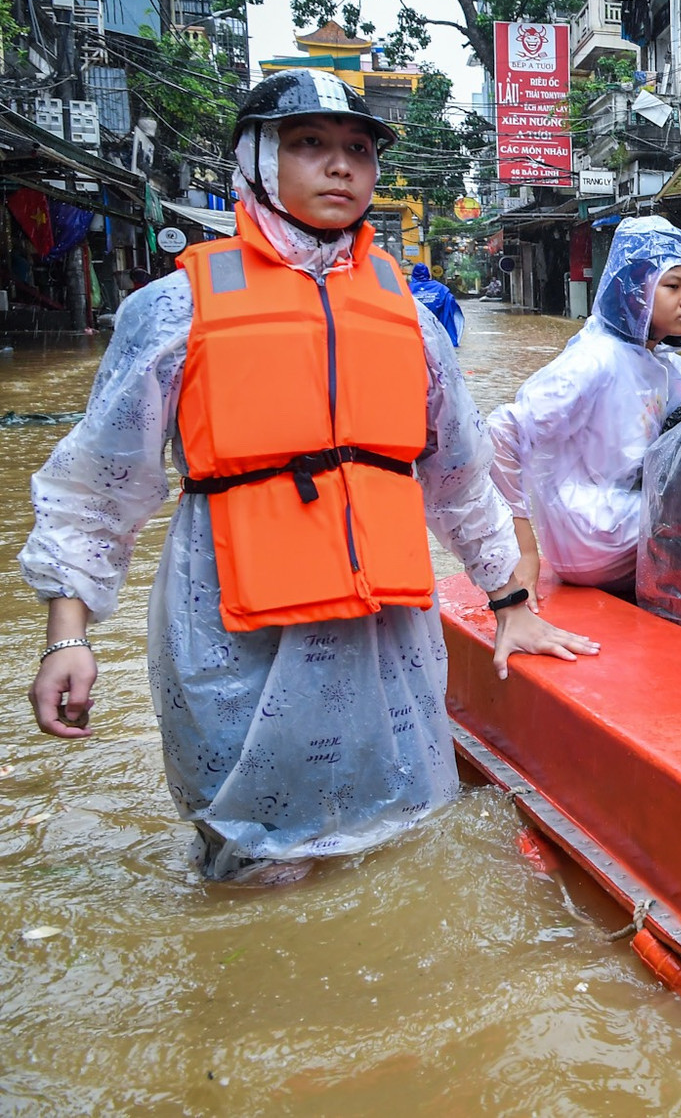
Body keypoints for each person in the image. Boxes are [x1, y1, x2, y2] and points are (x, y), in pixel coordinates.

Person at [19, 69, 595, 885]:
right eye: (309, 144)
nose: (340, 167)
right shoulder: (175, 310)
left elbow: (459, 478)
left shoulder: (413, 319)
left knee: (391, 853)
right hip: (230, 628)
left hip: (383, 635)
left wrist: (510, 604)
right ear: (255, 158)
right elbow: (98, 487)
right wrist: (67, 638)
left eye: (357, 149)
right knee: (250, 864)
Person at [489, 216, 681, 590]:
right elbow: (503, 434)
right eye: (673, 286)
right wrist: (523, 548)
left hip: (625, 521)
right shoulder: (596, 359)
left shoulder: (669, 370)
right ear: (635, 291)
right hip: (589, 533)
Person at [408, 262, 464, 346]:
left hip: (416, 328)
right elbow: (450, 304)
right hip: (436, 328)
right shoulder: (441, 288)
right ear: (428, 274)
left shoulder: (406, 288)